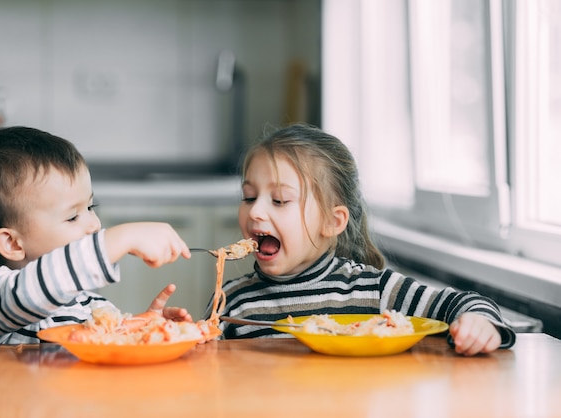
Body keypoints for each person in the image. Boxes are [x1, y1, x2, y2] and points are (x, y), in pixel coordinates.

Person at [204, 123, 516, 356]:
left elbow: (462, 303)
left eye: (280, 200)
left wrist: (478, 322)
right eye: (248, 197)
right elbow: (203, 369)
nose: (255, 211)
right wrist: (170, 330)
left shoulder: (375, 291)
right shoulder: (231, 302)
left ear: (331, 221)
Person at [0, 126, 193, 344]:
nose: (94, 225)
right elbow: (33, 292)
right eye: (72, 217)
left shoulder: (93, 305)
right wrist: (121, 238)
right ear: (13, 243)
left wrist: (143, 326)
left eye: (90, 208)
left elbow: (106, 347)